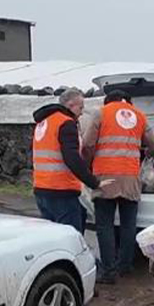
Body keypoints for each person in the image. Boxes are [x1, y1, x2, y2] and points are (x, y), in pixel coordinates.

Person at [82, 89, 154, 284]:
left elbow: (87, 143)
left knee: (105, 225)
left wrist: (88, 164)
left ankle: (109, 271)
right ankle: (125, 266)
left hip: (105, 176)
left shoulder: (100, 113)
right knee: (128, 224)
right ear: (127, 100)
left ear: (108, 101)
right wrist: (146, 153)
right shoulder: (139, 115)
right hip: (130, 177)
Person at [32, 91, 104, 234]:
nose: (82, 113)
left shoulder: (43, 122)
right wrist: (94, 183)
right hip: (61, 190)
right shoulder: (65, 123)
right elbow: (72, 158)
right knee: (70, 238)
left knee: (51, 237)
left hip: (41, 189)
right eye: (80, 108)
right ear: (70, 105)